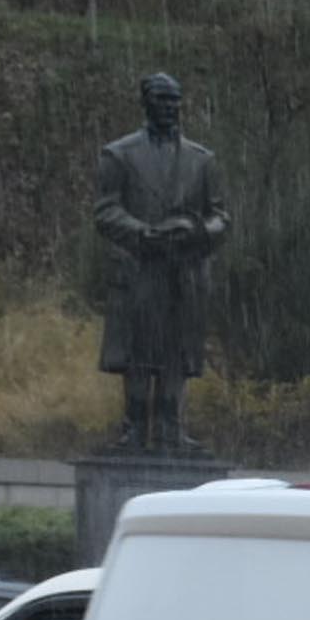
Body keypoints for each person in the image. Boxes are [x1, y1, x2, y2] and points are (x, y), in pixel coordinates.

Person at [92, 72, 229, 453]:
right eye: (161, 99)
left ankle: (172, 428)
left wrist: (200, 231)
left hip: (184, 271)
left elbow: (220, 215)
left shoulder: (202, 159)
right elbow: (106, 211)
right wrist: (144, 233)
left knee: (176, 353)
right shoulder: (119, 154)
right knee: (138, 353)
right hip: (139, 268)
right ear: (146, 102)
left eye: (174, 100)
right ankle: (134, 427)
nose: (169, 107)